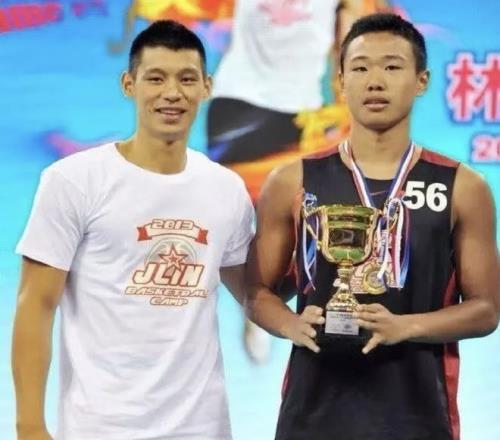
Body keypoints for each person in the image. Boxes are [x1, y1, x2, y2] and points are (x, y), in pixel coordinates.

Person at [246, 13, 499, 440]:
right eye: (361, 68)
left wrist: (406, 326)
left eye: (392, 67)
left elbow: (486, 309)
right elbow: (257, 292)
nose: (375, 81)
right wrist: (290, 324)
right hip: (312, 417)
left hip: (418, 419)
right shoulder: (292, 181)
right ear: (341, 80)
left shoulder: (462, 186)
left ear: (421, 81)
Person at [12, 20, 254, 440]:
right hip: (100, 428)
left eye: (186, 79)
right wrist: (29, 425)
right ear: (129, 84)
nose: (172, 93)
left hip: (202, 428)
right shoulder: (73, 180)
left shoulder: (227, 188)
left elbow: (254, 291)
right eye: (156, 78)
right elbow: (36, 305)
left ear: (206, 87)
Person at [208, 0, 389, 364]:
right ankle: (256, 304)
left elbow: (350, 43)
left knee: (296, 225)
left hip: (302, 113)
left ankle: (266, 304)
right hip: (238, 103)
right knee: (243, 221)